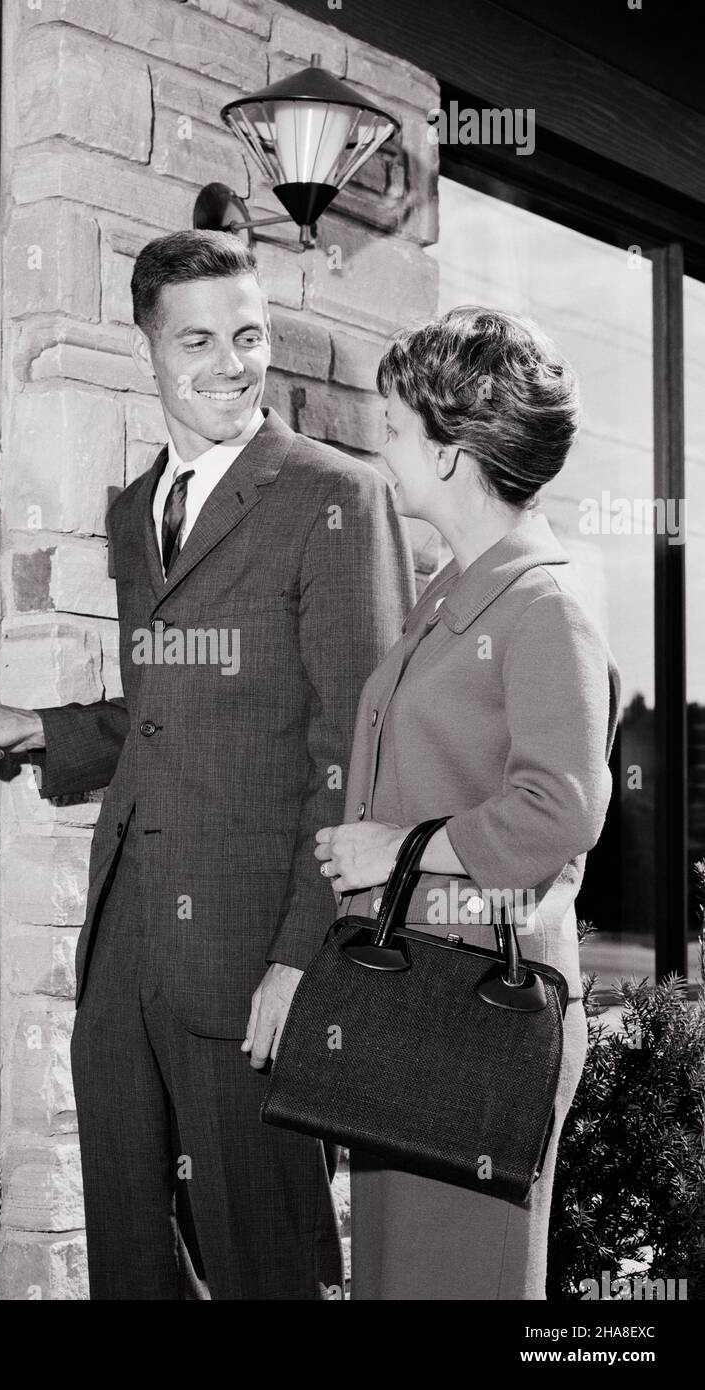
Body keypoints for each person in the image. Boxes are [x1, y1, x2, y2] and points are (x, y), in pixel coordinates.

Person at [0, 229, 415, 1299]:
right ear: (147, 347)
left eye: (248, 335)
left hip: (254, 960)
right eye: (197, 338)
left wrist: (304, 960)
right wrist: (38, 729)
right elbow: (168, 715)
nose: (229, 362)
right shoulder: (133, 513)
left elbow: (359, 754)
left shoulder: (336, 497)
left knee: (266, 1264)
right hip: (126, 952)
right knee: (129, 1252)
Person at [314, 305, 620, 1300]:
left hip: (483, 1018)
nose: (381, 448)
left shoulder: (543, 607)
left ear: (450, 455)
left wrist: (400, 848)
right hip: (416, 999)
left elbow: (561, 809)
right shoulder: (458, 591)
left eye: (395, 429)